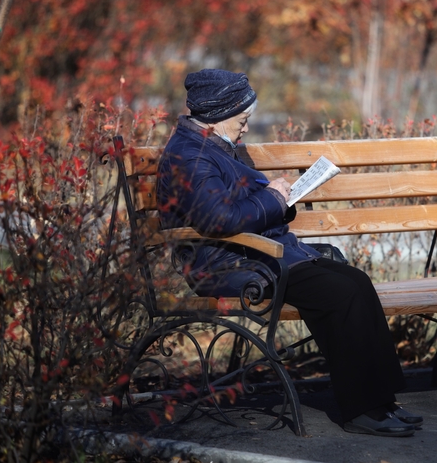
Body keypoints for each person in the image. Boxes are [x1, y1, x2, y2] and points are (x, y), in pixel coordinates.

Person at [156, 68, 422, 437]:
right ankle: (362, 410)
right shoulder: (190, 157)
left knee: (356, 281)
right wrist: (273, 198)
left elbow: (232, 204)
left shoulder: (210, 146)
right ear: (217, 117)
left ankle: (380, 400)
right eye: (242, 120)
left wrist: (280, 195)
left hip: (256, 254)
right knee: (339, 293)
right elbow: (218, 218)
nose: (246, 127)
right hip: (227, 264)